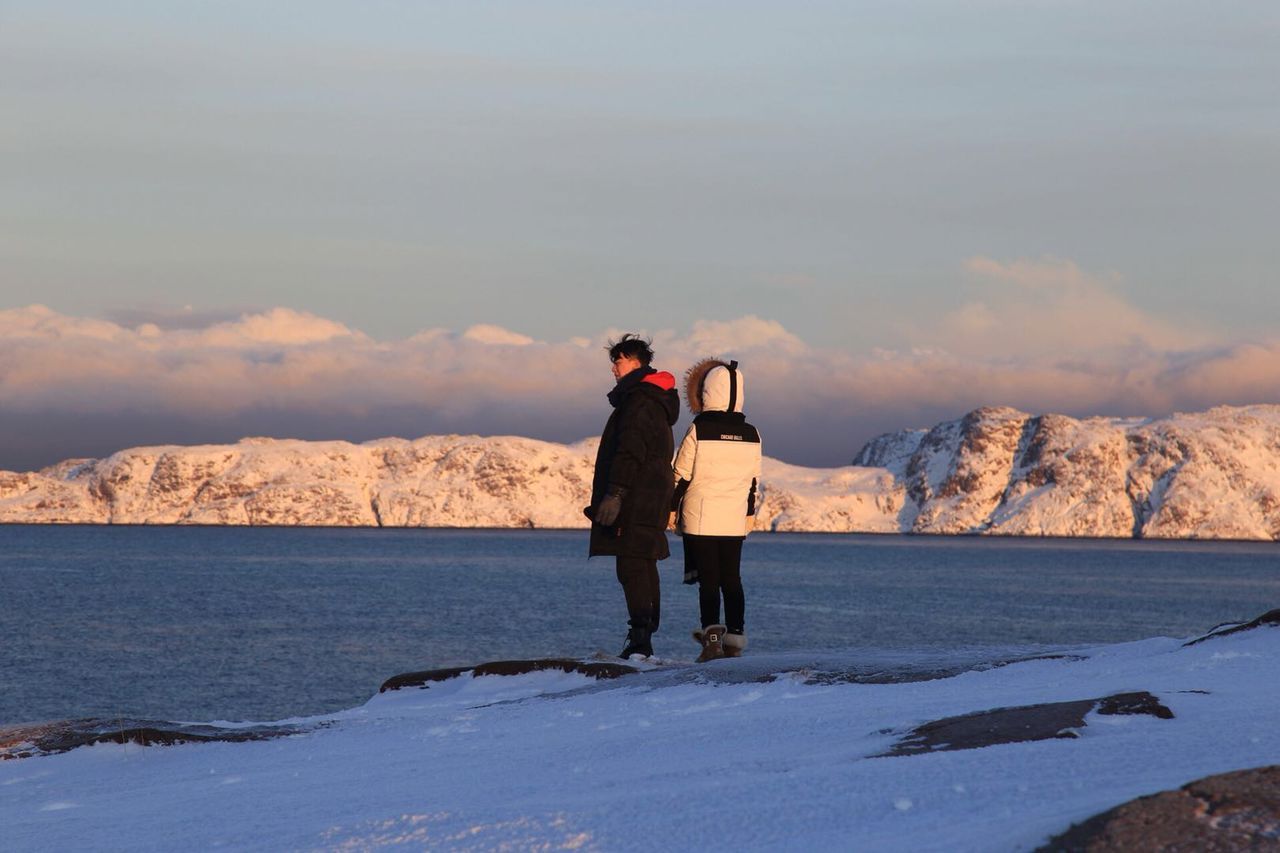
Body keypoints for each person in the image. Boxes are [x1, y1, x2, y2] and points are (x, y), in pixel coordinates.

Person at [586, 334, 680, 659]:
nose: (613, 368)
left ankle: (640, 643)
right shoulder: (652, 398)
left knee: (632, 565)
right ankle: (643, 638)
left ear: (636, 363)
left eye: (619, 360)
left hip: (637, 496)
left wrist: (616, 494)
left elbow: (630, 450)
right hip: (651, 495)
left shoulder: (639, 400)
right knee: (642, 562)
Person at [671, 358, 762, 662]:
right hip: (734, 518)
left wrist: (670, 509)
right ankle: (735, 640)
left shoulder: (699, 428)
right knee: (732, 580)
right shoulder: (752, 433)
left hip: (701, 515)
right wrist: (748, 515)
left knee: (709, 581)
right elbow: (753, 481)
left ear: (708, 392)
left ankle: (711, 642)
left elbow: (681, 474)